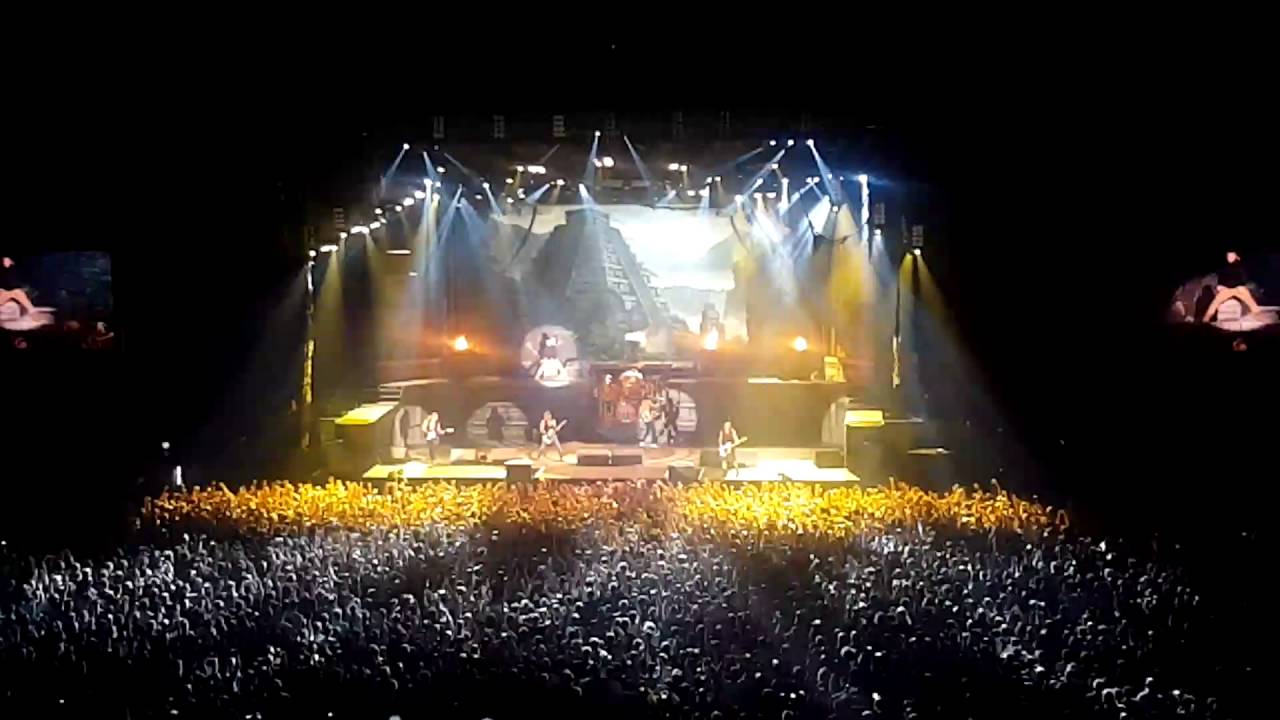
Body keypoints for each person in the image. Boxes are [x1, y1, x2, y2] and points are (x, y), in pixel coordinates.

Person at [1203, 251, 1262, 322]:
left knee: (1250, 300)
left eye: (1231, 256)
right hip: (1227, 290)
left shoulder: (1240, 266)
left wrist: (1241, 286)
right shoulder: (1223, 267)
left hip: (1238, 289)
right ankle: (1205, 320)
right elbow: (1220, 279)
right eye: (1228, 256)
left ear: (1235, 256)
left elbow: (1244, 279)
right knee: (1215, 303)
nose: (1229, 257)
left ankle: (1260, 317)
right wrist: (1219, 286)